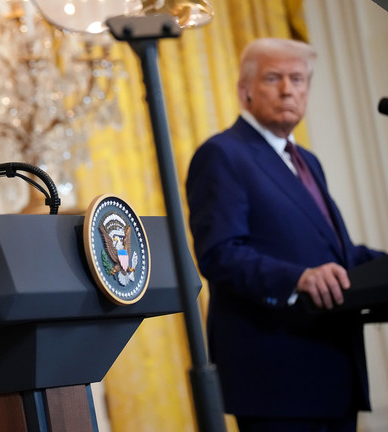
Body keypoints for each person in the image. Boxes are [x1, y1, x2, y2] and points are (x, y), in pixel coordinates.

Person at [186, 38, 385, 432]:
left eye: (298, 79)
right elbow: (219, 254)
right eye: (273, 78)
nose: (288, 89)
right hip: (276, 377)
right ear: (245, 92)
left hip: (333, 369)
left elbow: (335, 253)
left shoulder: (307, 160)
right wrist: (297, 278)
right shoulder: (223, 154)